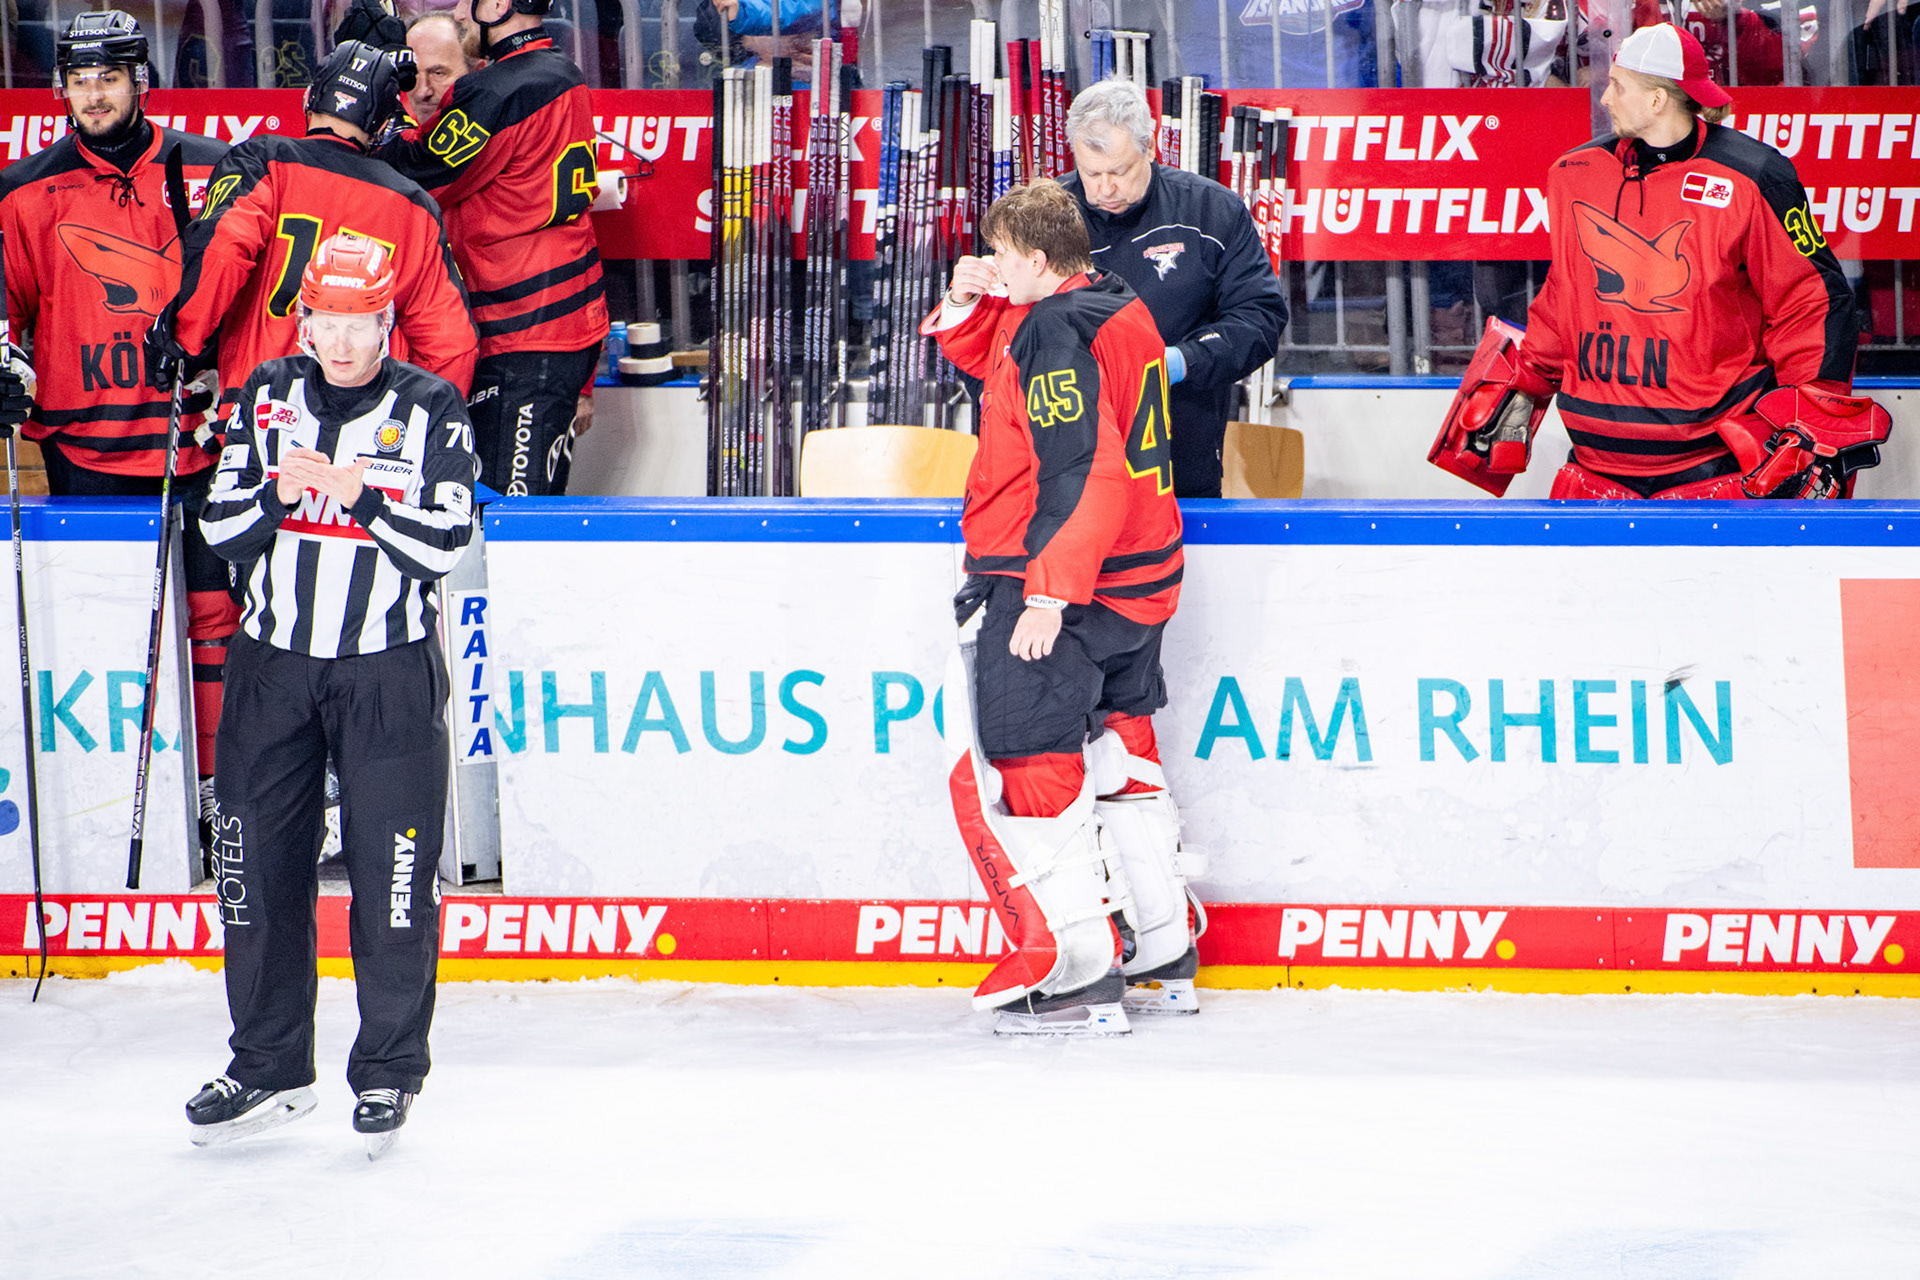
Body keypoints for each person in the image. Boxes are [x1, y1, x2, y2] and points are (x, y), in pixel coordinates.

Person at [185, 232, 477, 1155]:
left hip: (386, 670)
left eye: (361, 322)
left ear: (388, 319)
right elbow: (220, 527)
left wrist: (362, 498)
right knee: (254, 875)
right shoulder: (266, 395)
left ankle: (389, 1072)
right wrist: (281, 490)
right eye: (326, 321)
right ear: (302, 319)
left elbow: (446, 547)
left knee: (393, 883)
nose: (342, 341)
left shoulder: (433, 408)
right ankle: (268, 1064)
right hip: (272, 667)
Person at [922, 181, 1201, 1037]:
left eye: (1002, 254)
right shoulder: (1105, 305)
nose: (991, 264)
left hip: (1065, 583)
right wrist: (969, 301)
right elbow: (1006, 377)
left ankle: (1077, 968)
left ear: (1039, 261)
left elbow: (1084, 468)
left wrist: (1047, 591)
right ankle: (1161, 945)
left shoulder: (1051, 326)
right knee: (1124, 747)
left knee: (1026, 749)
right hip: (1139, 582)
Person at [1432, 23, 1885, 501]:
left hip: (1713, 471)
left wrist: (1812, 417)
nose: (1604, 98)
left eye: (1618, 85)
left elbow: (1809, 301)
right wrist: (1528, 383)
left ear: (1657, 100)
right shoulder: (1573, 174)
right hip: (1593, 469)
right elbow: (1566, 292)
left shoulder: (1754, 176)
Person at [0, 11, 238, 851]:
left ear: (142, 80)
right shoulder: (23, 189)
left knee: (214, 623)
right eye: (78, 79)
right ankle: (119, 805)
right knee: (113, 634)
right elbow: (7, 312)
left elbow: (246, 290)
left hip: (198, 444)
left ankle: (217, 794)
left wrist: (227, 369)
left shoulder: (211, 170)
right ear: (60, 88)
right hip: (88, 451)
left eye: (109, 77)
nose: (92, 95)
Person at [152, 39, 478, 417]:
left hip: (262, 408)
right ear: (384, 125)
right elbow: (453, 346)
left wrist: (182, 338)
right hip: (368, 422)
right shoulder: (415, 205)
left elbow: (223, 252)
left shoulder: (264, 160)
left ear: (308, 99)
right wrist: (416, 427)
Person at [371, 0, 609, 497]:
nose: (458, 10)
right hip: (557, 325)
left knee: (507, 519)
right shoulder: (561, 71)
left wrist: (375, 96)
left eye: (467, 0)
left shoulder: (499, 89)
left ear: (498, 5)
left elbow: (411, 173)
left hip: (525, 335)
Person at [1056, 78, 1288, 499]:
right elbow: (1000, 332)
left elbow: (1260, 318)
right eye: (1091, 173)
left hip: (1182, 443)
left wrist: (1180, 362)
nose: (1105, 189)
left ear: (1151, 147)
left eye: (1120, 171)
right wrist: (963, 303)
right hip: (1069, 451)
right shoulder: (1046, 217)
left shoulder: (1211, 211)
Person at [403, 11, 480, 130]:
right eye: (414, 73)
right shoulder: (388, 132)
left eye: (438, 73)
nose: (422, 92)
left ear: (477, 71)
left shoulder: (505, 132)